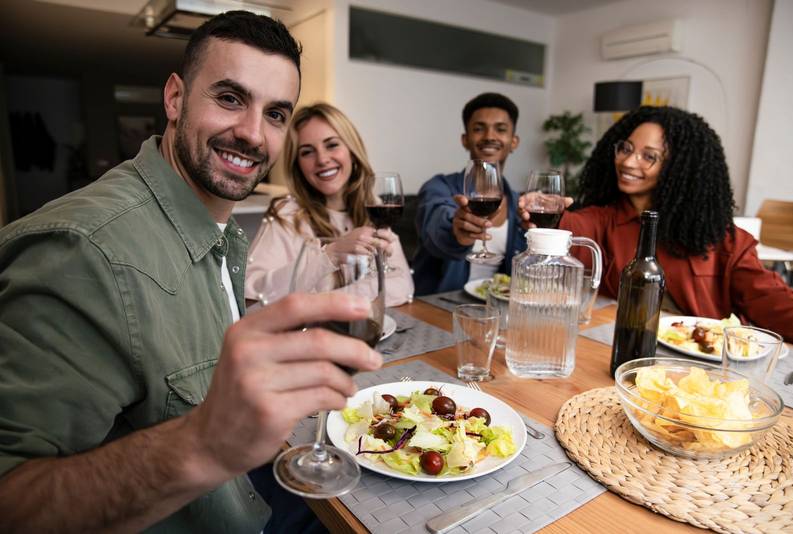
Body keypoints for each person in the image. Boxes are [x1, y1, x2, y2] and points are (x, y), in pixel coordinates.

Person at [0, 11, 383, 532]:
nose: (252, 134)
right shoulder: (83, 250)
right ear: (175, 98)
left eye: (275, 114)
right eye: (229, 98)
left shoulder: (219, 232)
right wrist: (203, 443)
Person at [519, 105, 793, 344]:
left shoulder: (725, 242)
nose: (628, 161)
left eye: (649, 156)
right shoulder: (603, 219)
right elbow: (567, 231)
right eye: (626, 148)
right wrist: (545, 211)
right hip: (613, 353)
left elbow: (775, 305)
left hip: (696, 371)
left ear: (678, 168)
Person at [245, 103, 414, 307]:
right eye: (307, 152)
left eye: (332, 145)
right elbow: (251, 294)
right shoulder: (287, 214)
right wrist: (328, 257)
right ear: (297, 165)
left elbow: (403, 285)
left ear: (352, 150)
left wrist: (325, 297)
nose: (322, 159)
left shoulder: (373, 208)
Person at [412, 92, 528, 295]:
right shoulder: (437, 187)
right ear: (465, 140)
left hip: (495, 312)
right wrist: (457, 233)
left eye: (500, 129)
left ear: (514, 142)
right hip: (438, 308)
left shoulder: (520, 205)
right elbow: (435, 221)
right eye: (478, 129)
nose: (490, 136)